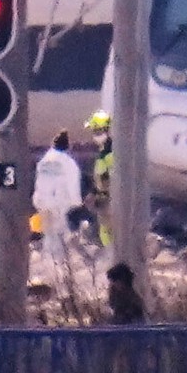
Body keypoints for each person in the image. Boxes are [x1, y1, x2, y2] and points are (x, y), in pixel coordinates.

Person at [32, 131, 83, 265]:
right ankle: (59, 265)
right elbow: (73, 184)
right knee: (60, 235)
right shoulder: (68, 163)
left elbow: (39, 182)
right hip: (60, 204)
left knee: (49, 234)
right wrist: (76, 203)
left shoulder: (44, 161)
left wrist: (38, 201)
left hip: (44, 203)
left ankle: (49, 262)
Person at [80, 110, 114, 242]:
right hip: (106, 200)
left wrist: (99, 195)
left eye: (96, 131)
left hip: (110, 202)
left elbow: (109, 180)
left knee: (109, 231)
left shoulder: (109, 154)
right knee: (105, 230)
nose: (94, 135)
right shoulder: (104, 152)